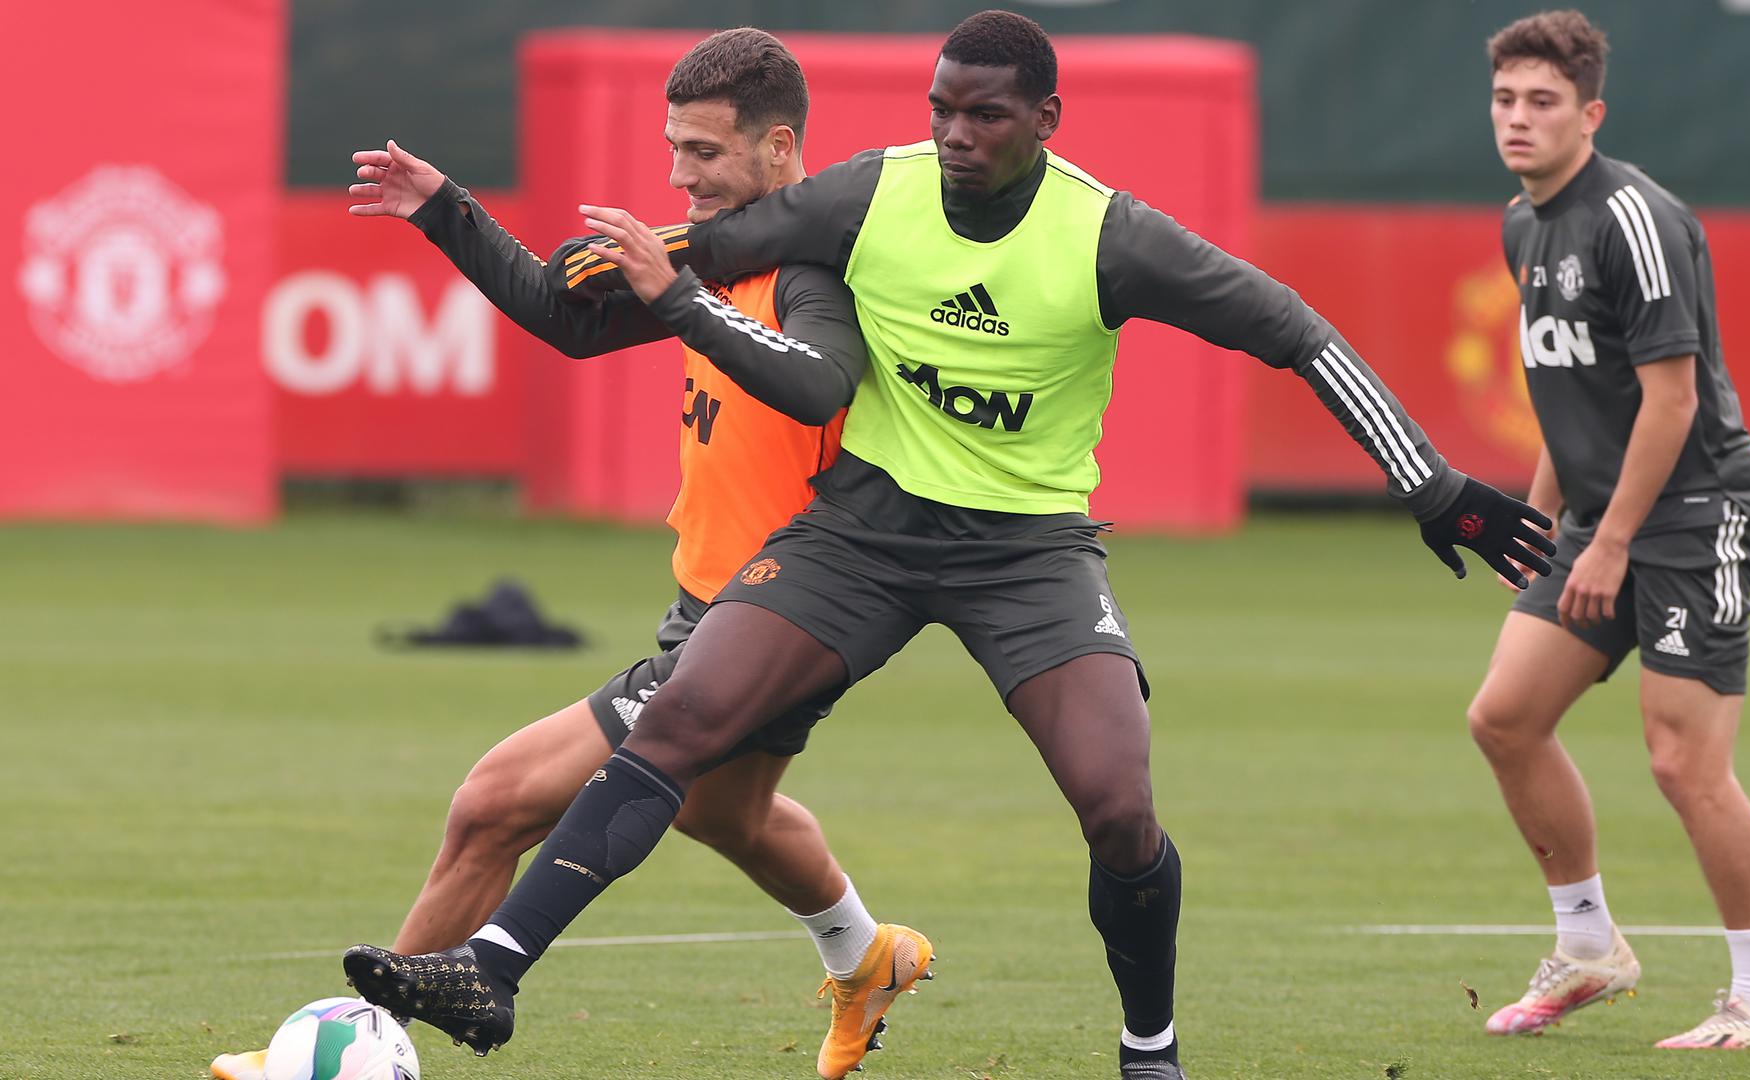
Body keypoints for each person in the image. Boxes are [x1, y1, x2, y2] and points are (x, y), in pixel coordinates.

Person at [344, 11, 1554, 1078]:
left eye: (984, 114)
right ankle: (491, 973)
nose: (956, 133)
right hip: (863, 534)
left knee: (1117, 807)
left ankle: (1149, 1054)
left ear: (1043, 119)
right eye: (940, 109)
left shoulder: (1107, 236)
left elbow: (1294, 330)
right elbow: (598, 307)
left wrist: (1432, 484)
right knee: (681, 723)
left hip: (1027, 555)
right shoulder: (869, 194)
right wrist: (474, 217)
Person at [215, 30, 932, 1080]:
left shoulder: (820, 273)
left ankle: (361, 1045)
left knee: (492, 805)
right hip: (712, 606)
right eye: (671, 148)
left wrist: (672, 290)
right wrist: (443, 209)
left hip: (772, 620)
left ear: (781, 149)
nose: (678, 177)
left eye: (703, 153)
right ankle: (863, 956)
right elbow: (568, 319)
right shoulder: (719, 250)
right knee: (724, 814)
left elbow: (821, 382)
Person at [1466, 9, 1750, 1050]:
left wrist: (1607, 540)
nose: (1517, 120)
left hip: (1698, 517)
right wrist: (1539, 518)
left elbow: (1668, 402)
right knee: (1503, 718)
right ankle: (1586, 948)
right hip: (1602, 519)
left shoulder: (1634, 219)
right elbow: (1570, 391)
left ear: (1588, 113)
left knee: (1679, 763)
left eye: (1541, 103)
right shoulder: (1522, 222)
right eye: (1504, 100)